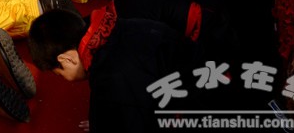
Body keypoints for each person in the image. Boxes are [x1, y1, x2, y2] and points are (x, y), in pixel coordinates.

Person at [29, 8, 198, 133]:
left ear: (66, 59)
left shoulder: (110, 81)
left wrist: (108, 121)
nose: (65, 79)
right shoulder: (120, 26)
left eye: (59, 74)